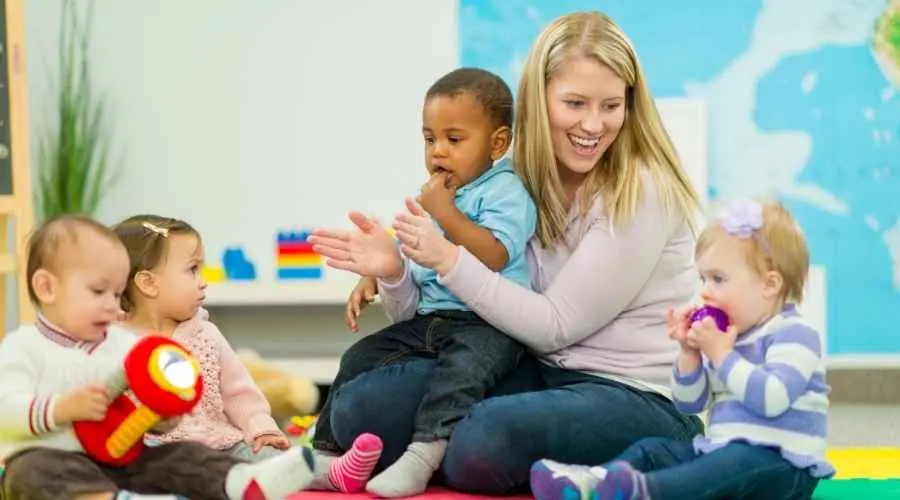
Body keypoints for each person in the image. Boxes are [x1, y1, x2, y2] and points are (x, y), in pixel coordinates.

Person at [310, 10, 705, 495]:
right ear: (539, 102)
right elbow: (429, 307)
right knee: (359, 409)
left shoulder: (642, 190)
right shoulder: (508, 177)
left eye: (611, 105)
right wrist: (394, 270)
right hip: (533, 368)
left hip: (628, 391)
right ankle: (460, 453)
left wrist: (449, 259)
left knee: (484, 440)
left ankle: (663, 451)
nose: (593, 124)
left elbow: (556, 324)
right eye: (574, 103)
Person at [312, 67, 537, 498]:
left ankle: (424, 454)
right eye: (430, 139)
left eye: (454, 140)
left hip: (488, 325)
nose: (438, 152)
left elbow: (494, 254)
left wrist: (446, 211)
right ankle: (327, 454)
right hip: (433, 320)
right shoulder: (438, 197)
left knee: (460, 375)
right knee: (361, 355)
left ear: (498, 143)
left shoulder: (505, 190)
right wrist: (377, 274)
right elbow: (415, 257)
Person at [530, 199, 833, 500]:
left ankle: (646, 492)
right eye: (703, 278)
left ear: (769, 285)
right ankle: (594, 483)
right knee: (654, 449)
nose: (705, 291)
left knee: (736, 461)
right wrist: (689, 354)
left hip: (784, 469)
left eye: (718, 279)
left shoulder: (795, 334)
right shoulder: (728, 338)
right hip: (722, 455)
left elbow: (772, 399)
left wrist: (720, 355)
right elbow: (690, 404)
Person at [0, 214, 315, 500]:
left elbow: (148, 407)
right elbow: (5, 409)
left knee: (182, 454)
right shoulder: (25, 347)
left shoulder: (120, 344)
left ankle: (239, 483)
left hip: (122, 460)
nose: (113, 305)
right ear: (47, 288)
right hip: (58, 460)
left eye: (116, 293)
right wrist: (60, 409)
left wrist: (164, 417)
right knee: (30, 473)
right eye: (99, 292)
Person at [112, 214, 382, 493]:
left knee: (269, 458)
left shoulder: (206, 335)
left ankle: (333, 471)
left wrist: (261, 428)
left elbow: (239, 392)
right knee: (152, 469)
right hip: (155, 450)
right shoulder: (113, 344)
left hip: (223, 444)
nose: (203, 282)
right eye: (192, 270)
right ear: (148, 283)